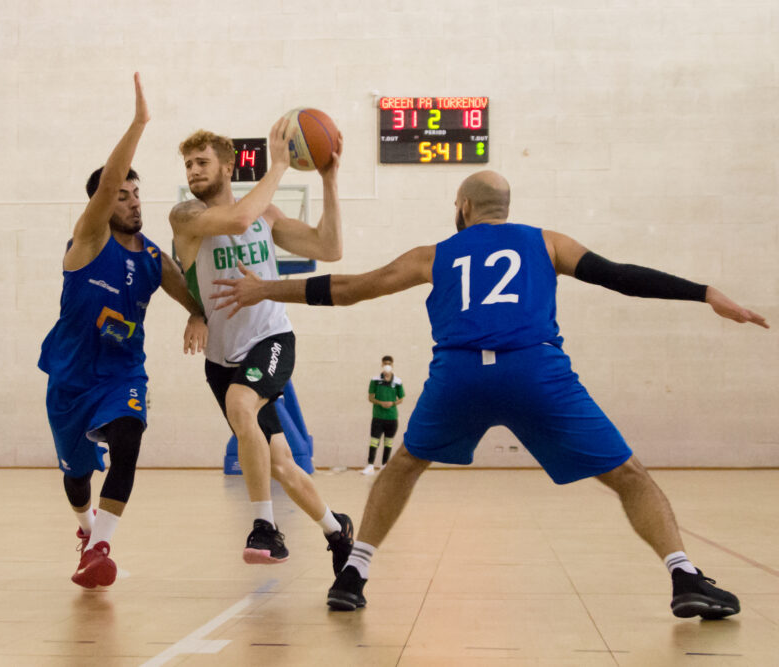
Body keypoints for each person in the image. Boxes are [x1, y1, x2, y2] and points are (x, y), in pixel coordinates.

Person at [211, 170, 768, 618]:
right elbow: (619, 275)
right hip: (536, 374)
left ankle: (354, 573)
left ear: (463, 206)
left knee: (402, 467)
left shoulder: (437, 252)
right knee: (628, 476)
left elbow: (353, 288)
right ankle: (684, 575)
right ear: (506, 207)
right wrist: (704, 293)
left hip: (460, 378)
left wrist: (266, 287)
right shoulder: (548, 242)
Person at [38, 73, 208, 589]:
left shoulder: (154, 258)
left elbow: (191, 297)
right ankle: (88, 530)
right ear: (102, 204)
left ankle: (102, 547)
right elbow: (107, 183)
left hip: (121, 376)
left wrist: (198, 313)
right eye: (122, 195)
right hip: (69, 381)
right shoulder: (87, 240)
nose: (133, 201)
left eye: (138, 194)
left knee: (130, 438)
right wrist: (139, 124)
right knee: (75, 478)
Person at [168, 121, 353, 574]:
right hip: (221, 356)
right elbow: (235, 219)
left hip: (271, 338)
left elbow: (329, 248)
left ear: (228, 167)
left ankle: (265, 526)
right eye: (188, 164)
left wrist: (329, 179)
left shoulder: (265, 214)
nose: (193, 170)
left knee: (241, 403)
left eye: (202, 162)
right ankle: (336, 530)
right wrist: (281, 167)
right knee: (281, 462)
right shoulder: (185, 216)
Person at [363, 355, 404, 475]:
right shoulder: (375, 380)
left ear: (392, 365)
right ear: (382, 365)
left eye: (389, 364)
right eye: (385, 363)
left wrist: (392, 403)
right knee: (374, 441)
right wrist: (380, 403)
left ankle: (384, 465)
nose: (387, 366)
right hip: (378, 417)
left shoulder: (397, 381)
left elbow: (401, 398)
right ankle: (370, 466)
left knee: (388, 442)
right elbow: (370, 398)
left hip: (392, 418)